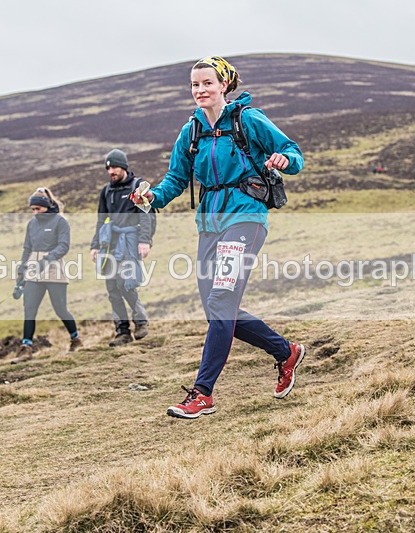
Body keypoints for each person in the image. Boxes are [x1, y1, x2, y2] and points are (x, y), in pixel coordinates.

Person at [131, 56, 306, 419]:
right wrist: (151, 198)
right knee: (218, 308)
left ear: (224, 85)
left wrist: (285, 160)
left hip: (246, 218)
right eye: (195, 85)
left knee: (222, 299)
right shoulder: (190, 132)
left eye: (207, 83)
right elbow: (176, 180)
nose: (200, 91)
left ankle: (202, 393)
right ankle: (285, 352)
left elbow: (294, 152)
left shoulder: (249, 119)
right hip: (209, 223)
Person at [90, 149, 152, 347]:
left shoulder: (137, 187)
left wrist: (145, 241)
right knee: (112, 288)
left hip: (130, 242)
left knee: (126, 284)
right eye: (108, 168)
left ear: (124, 167)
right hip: (110, 244)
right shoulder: (106, 191)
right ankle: (122, 331)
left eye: (114, 167)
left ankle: (141, 322)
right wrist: (95, 246)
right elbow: (101, 220)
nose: (111, 171)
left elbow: (146, 215)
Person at [12, 187, 81, 362]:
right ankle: (26, 347)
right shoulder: (31, 224)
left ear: (46, 206)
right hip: (33, 270)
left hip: (54, 269)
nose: (35, 212)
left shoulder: (60, 222)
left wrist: (47, 259)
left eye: (38, 209)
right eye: (33, 209)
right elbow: (27, 248)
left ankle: (75, 339)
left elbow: (63, 246)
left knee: (60, 308)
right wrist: (21, 272)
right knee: (29, 309)